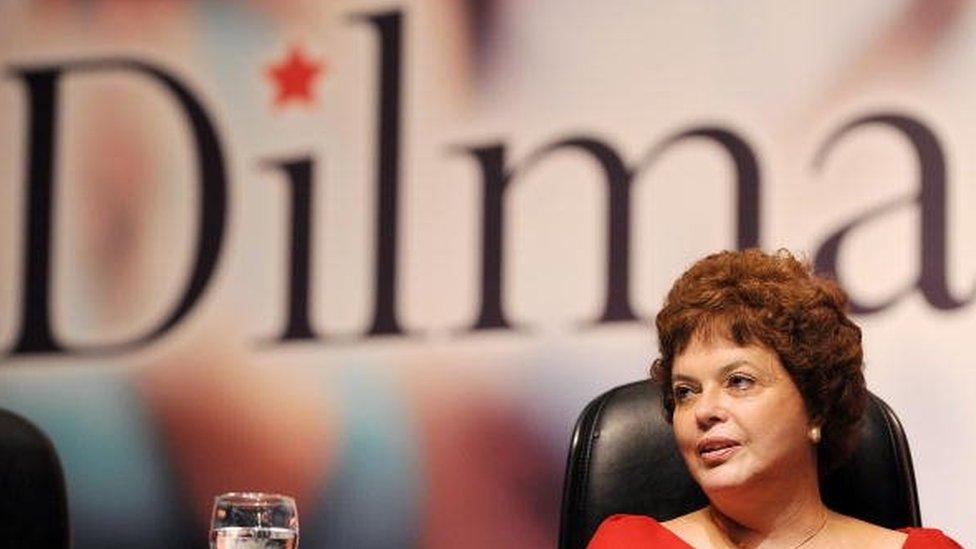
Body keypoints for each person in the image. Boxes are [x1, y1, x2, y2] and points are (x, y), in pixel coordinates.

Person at [588, 249, 961, 548]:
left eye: (739, 381)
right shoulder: (630, 543)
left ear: (815, 407)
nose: (703, 410)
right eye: (685, 392)